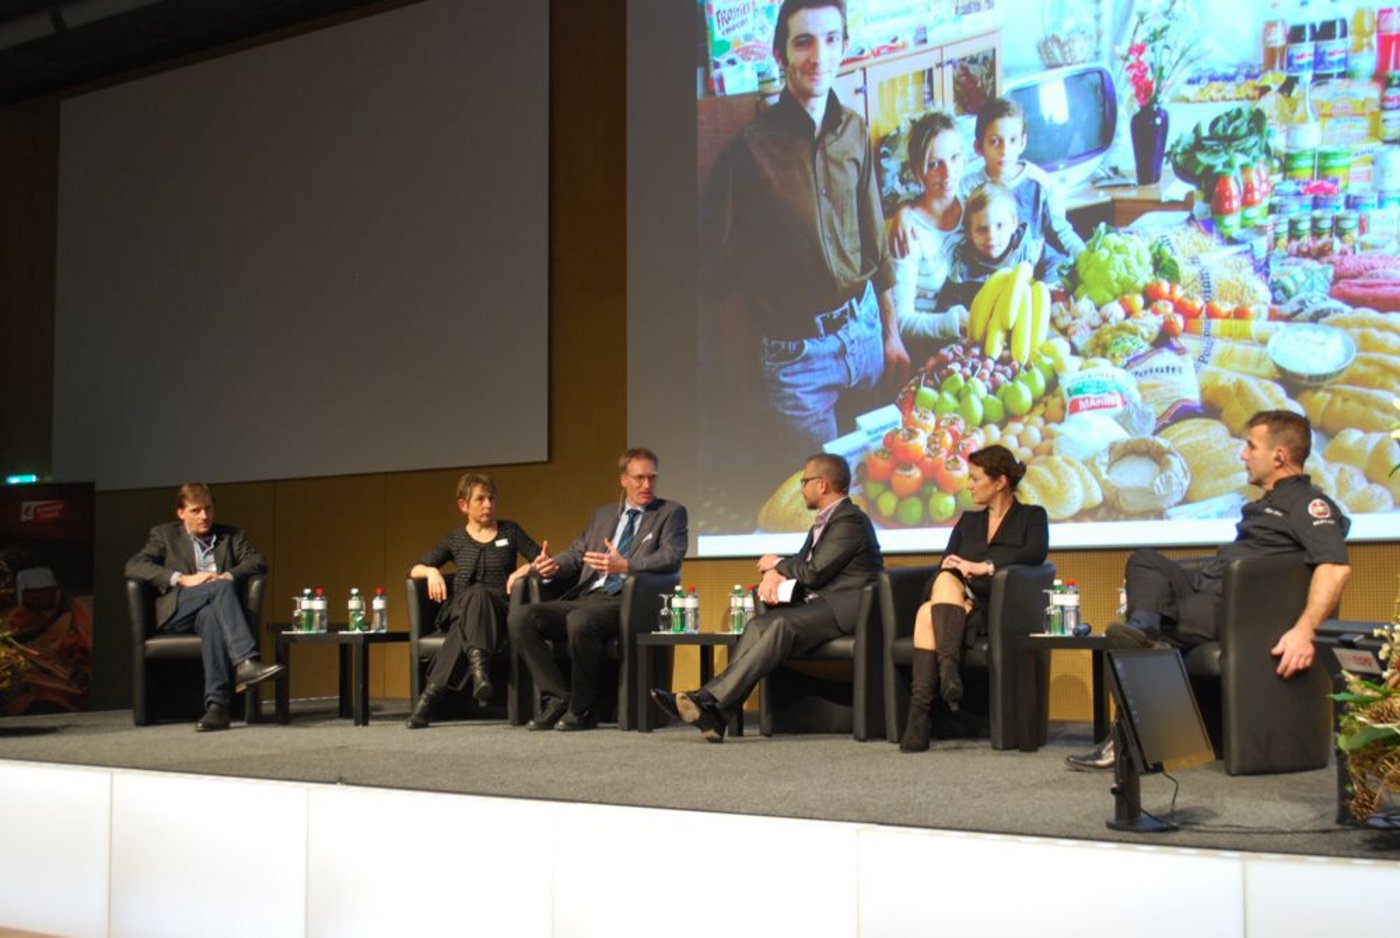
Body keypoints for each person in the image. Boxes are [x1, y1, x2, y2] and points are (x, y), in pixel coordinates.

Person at [1067, 410, 1352, 769]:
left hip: (1238, 605)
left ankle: (1125, 735)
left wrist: (1305, 632)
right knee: (1146, 560)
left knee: (1145, 642)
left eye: (1251, 446)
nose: (1243, 455)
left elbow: (1335, 566)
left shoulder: (1309, 504)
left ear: (1279, 456)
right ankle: (1144, 629)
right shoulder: (1265, 503)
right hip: (1209, 586)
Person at [700, 0, 907, 490]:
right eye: (804, 42)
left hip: (864, 334)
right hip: (798, 360)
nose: (819, 56)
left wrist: (891, 331)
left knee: (881, 482)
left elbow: (875, 242)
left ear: (844, 45)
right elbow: (715, 271)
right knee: (824, 499)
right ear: (781, 54)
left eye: (831, 39)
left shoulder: (854, 129)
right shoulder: (747, 151)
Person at [651, 453, 883, 743]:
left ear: (822, 485)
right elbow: (802, 561)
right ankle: (717, 714)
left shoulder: (851, 520)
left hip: (848, 609)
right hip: (822, 605)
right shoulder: (825, 521)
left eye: (805, 481)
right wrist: (775, 572)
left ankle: (707, 699)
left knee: (780, 625)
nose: (801, 488)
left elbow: (813, 572)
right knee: (758, 625)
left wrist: (776, 563)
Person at [507, 447, 687, 731]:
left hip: (629, 601)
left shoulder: (670, 513)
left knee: (580, 621)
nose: (647, 485)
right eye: (639, 478)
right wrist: (551, 566)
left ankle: (582, 709)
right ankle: (557, 697)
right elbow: (576, 553)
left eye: (652, 477)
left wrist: (625, 565)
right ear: (623, 480)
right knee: (521, 618)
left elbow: (671, 556)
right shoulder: (603, 515)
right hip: (589, 596)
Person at [900, 445, 1048, 753]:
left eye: (975, 478)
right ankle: (947, 674)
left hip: (998, 606)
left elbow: (1035, 554)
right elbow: (947, 560)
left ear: (1000, 481)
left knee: (927, 613)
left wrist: (985, 566)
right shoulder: (968, 521)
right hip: (958, 598)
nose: (968, 485)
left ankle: (920, 715)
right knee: (944, 577)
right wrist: (957, 568)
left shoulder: (1031, 517)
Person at [124, 483, 282, 732]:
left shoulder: (231, 535)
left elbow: (258, 561)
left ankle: (217, 708)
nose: (204, 516)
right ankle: (245, 661)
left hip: (213, 610)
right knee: (219, 589)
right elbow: (134, 566)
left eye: (208, 509)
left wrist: (227, 575)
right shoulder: (164, 535)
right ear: (181, 513)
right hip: (178, 609)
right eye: (196, 510)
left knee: (212, 617)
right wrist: (182, 579)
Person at [405, 473, 541, 729]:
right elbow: (414, 568)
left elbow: (543, 560)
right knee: (475, 595)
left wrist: (524, 570)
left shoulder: (510, 531)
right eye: (480, 499)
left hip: (498, 611)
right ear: (463, 505)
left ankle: (427, 701)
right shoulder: (455, 539)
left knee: (465, 623)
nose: (488, 504)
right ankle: (479, 671)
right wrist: (431, 571)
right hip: (460, 607)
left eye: (491, 498)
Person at [961, 96, 1085, 266]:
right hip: (984, 273)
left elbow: (1061, 232)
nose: (1005, 150)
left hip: (1034, 270)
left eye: (1013, 140)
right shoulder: (967, 189)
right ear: (978, 147)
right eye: (995, 142)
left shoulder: (1040, 183)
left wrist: (1086, 258)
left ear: (1023, 142)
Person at [887, 111, 970, 364]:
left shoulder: (973, 207)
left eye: (954, 157)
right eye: (934, 164)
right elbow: (902, 322)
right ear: (917, 170)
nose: (948, 173)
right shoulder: (908, 232)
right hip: (930, 355)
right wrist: (955, 322)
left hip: (975, 345)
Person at [934, 182, 1054, 311]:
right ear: (969, 233)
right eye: (981, 229)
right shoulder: (963, 269)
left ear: (1014, 224)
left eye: (1000, 226)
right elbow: (946, 304)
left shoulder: (1030, 250)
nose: (991, 236)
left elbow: (1053, 268)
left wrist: (1047, 292)